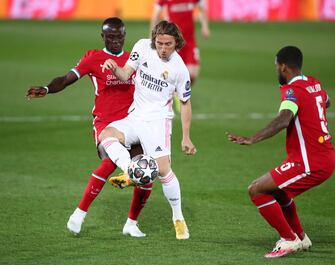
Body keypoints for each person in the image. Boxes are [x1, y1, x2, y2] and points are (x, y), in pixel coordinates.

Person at [26, 17, 153, 238]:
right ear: (102, 36)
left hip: (134, 123)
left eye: (118, 36)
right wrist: (47, 88)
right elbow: (65, 79)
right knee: (110, 160)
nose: (115, 41)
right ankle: (79, 213)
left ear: (125, 36)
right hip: (105, 123)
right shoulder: (93, 57)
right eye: (110, 36)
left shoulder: (133, 59)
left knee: (146, 171)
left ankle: (131, 224)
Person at [227, 46, 335, 258]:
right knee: (279, 190)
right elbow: (327, 101)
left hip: (309, 162)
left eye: (276, 66)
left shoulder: (292, 90)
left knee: (256, 189)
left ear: (283, 66)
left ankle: (288, 239)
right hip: (322, 156)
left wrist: (252, 138)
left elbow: (284, 118)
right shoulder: (313, 83)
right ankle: (301, 237)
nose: (276, 70)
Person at [100, 20, 196, 240]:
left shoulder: (179, 68)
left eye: (168, 44)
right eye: (160, 43)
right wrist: (114, 67)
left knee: (163, 171)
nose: (163, 48)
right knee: (106, 135)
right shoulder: (142, 47)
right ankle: (131, 171)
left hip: (158, 122)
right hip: (135, 116)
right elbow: (126, 74)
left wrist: (187, 137)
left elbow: (185, 103)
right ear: (154, 39)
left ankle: (178, 218)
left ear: (176, 43)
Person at [150, 0, 210, 112]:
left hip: (189, 42)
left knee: (193, 72)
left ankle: (177, 93)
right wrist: (153, 36)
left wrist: (205, 26)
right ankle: (172, 96)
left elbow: (202, 8)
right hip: (172, 42)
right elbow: (156, 15)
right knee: (167, 72)